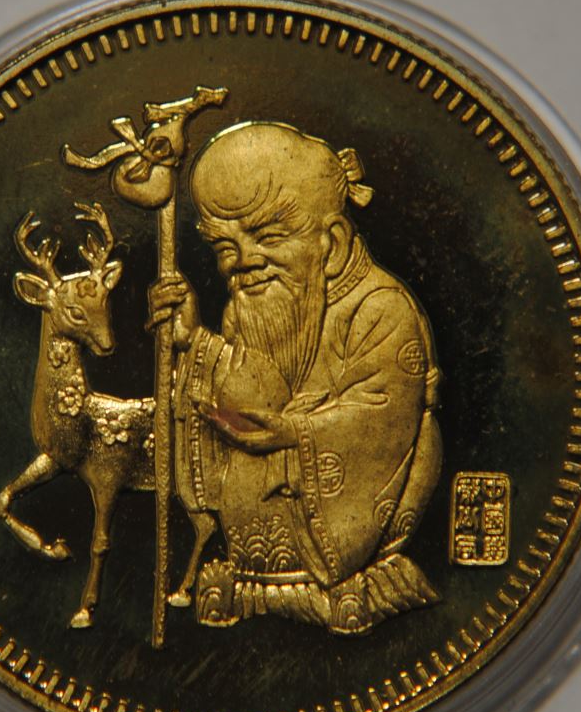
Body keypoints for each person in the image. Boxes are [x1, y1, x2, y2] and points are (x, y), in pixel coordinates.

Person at [149, 121, 442, 635]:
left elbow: (382, 414)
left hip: (344, 516)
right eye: (225, 247)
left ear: (332, 243)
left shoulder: (380, 307)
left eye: (266, 236)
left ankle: (336, 582)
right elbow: (255, 387)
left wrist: (295, 432)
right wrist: (194, 342)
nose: (243, 262)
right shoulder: (249, 308)